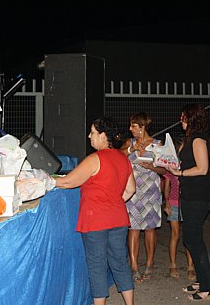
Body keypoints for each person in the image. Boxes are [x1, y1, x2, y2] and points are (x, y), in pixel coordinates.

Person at [54, 117, 136, 305]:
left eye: (92, 132)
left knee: (97, 266)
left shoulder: (95, 159)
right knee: (120, 263)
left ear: (103, 135)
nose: (89, 136)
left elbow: (68, 181)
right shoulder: (123, 159)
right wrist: (112, 201)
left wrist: (43, 180)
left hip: (96, 220)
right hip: (118, 219)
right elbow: (131, 189)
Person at [165, 103, 210, 301]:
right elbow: (187, 163)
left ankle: (208, 286)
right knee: (191, 238)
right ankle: (202, 280)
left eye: (184, 116)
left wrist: (180, 173)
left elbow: (203, 169)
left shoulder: (197, 139)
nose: (181, 119)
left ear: (192, 118)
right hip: (189, 194)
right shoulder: (189, 139)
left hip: (199, 195)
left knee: (193, 239)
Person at [121, 112, 166, 283]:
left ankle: (149, 262)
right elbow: (118, 155)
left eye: (133, 125)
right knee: (133, 228)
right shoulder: (129, 142)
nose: (130, 129)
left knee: (150, 228)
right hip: (133, 190)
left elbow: (165, 169)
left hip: (151, 190)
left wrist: (152, 167)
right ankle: (134, 266)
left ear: (142, 127)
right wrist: (132, 149)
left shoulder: (157, 145)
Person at [163, 171, 195, 280]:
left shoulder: (191, 168)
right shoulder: (171, 169)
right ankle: (172, 265)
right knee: (175, 235)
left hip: (188, 203)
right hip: (174, 204)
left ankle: (191, 266)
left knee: (189, 234)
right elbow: (167, 187)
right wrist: (167, 202)